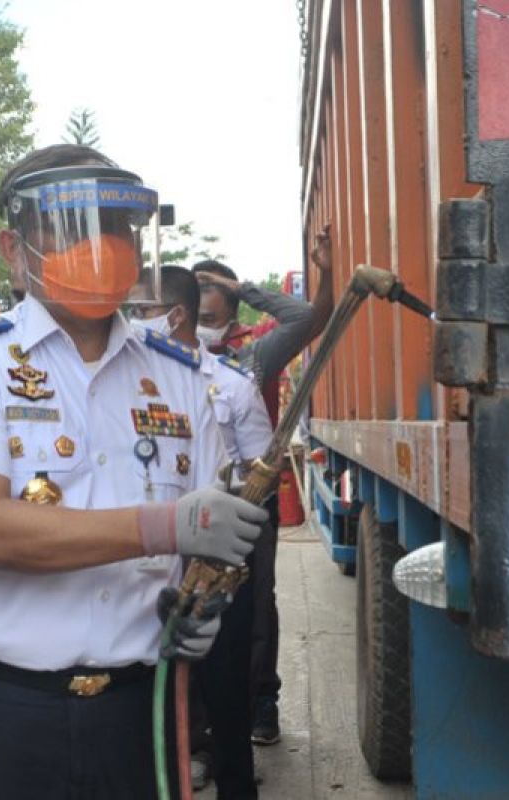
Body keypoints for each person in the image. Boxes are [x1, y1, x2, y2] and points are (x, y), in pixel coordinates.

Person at [0, 144, 268, 799]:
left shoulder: (181, 378)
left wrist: (199, 603)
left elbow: (207, 543)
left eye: (116, 228)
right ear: (14, 250)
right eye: (72, 228)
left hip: (134, 713)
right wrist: (165, 527)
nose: (100, 247)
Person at [133, 267, 273, 797]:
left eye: (141, 309)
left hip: (212, 562)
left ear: (173, 315)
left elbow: (258, 471)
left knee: (223, 685)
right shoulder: (126, 382)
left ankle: (236, 783)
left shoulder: (229, 384)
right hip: (144, 561)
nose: (132, 320)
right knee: (154, 699)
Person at [192, 230, 333, 746]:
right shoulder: (164, 355)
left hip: (249, 505)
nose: (199, 330)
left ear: (231, 317)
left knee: (254, 611)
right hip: (187, 508)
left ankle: (261, 704)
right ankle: (202, 722)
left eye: (210, 319)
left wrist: (239, 284)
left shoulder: (254, 356)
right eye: (193, 317)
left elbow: (306, 319)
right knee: (193, 610)